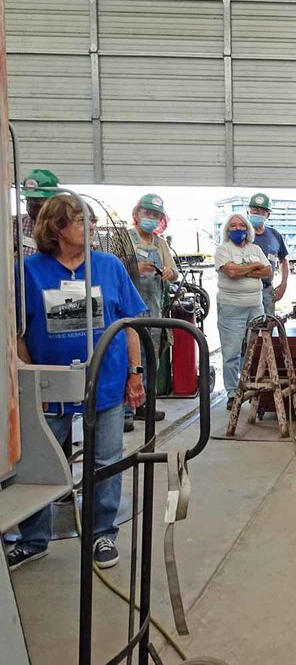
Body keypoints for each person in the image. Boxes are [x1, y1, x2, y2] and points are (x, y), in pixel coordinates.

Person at [6, 195, 147, 571]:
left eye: (92, 220)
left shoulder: (109, 266)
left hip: (104, 381)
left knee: (106, 459)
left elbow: (130, 323)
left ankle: (102, 533)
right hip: (49, 387)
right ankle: (33, 539)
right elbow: (18, 330)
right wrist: (31, 375)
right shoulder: (29, 271)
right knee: (38, 461)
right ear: (57, 228)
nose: (92, 227)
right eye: (82, 221)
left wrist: (135, 373)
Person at [125, 193, 178, 431]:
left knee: (151, 357)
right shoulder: (125, 239)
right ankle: (126, 409)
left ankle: (145, 403)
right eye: (147, 214)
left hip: (154, 308)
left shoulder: (160, 243)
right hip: (128, 309)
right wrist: (134, 268)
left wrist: (168, 273)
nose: (151, 219)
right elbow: (111, 268)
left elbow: (174, 273)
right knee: (129, 359)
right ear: (137, 214)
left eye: (155, 215)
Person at [215, 212, 271, 412]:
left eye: (241, 226)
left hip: (256, 305)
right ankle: (232, 393)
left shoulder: (255, 248)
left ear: (247, 229)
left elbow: (268, 271)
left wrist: (243, 269)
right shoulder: (223, 250)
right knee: (231, 352)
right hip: (231, 307)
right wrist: (254, 266)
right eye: (233, 226)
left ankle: (255, 389)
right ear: (227, 230)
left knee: (256, 350)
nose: (237, 229)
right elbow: (230, 272)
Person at [246, 192, 289, 316]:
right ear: (248, 211)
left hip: (266, 290)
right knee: (247, 329)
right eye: (254, 209)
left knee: (267, 327)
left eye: (261, 211)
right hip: (245, 290)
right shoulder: (241, 235)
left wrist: (283, 283)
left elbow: (283, 260)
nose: (256, 213)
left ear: (268, 215)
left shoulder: (274, 235)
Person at [16, 168, 60, 257]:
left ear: (53, 201)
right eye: (28, 201)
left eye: (37, 202)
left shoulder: (64, 226)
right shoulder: (16, 224)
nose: (31, 207)